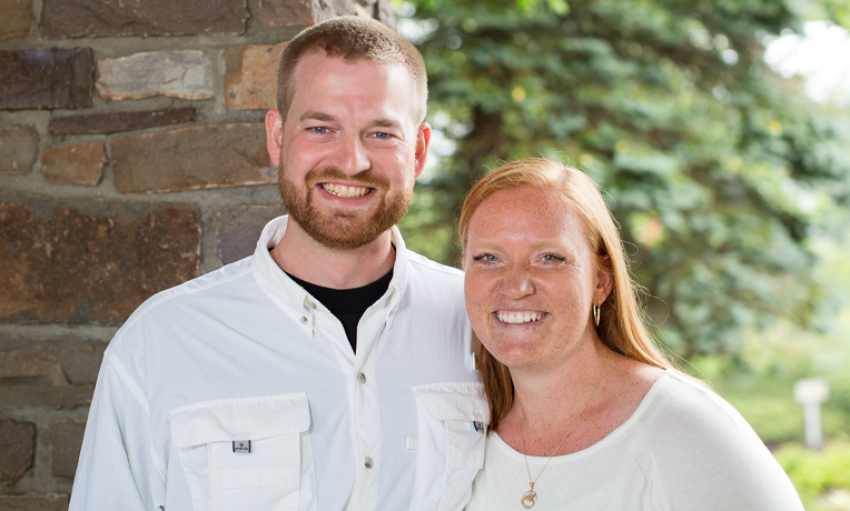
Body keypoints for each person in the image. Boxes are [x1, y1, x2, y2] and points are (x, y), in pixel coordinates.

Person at [69, 17, 488, 511]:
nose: (351, 161)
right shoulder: (158, 345)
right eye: (320, 128)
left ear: (417, 151)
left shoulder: (481, 324)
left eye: (380, 133)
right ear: (277, 137)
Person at [459, 158, 804, 510]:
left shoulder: (683, 427)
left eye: (549, 257)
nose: (516, 286)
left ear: (600, 282)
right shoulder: (463, 436)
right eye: (488, 258)